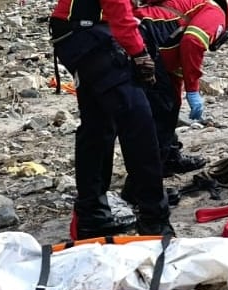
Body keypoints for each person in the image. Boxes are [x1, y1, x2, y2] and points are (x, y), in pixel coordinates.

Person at [50, 0, 174, 239]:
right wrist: (139, 52)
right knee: (138, 120)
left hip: (78, 33)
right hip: (88, 35)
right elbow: (117, 6)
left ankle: (92, 216)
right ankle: (154, 221)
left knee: (98, 124)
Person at [134, 0, 228, 177]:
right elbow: (193, 41)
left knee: (164, 107)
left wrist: (177, 100)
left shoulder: (194, 5)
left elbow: (173, 64)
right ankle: (146, 181)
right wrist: (192, 90)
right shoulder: (216, 13)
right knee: (161, 113)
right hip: (145, 42)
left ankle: (169, 158)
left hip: (138, 39)